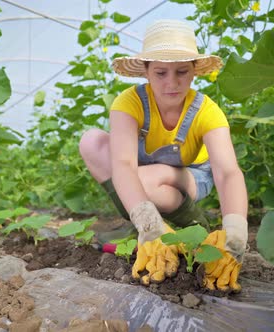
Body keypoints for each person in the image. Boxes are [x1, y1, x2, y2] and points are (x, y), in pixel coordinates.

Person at [79, 19, 248, 292]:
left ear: (194, 72)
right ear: (146, 72)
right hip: (143, 173)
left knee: (143, 181)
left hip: (192, 176)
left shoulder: (207, 111)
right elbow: (122, 163)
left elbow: (228, 172)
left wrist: (237, 233)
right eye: (160, 73)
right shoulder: (129, 102)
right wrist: (149, 224)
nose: (172, 83)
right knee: (92, 142)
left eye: (182, 71)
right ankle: (149, 228)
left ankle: (194, 224)